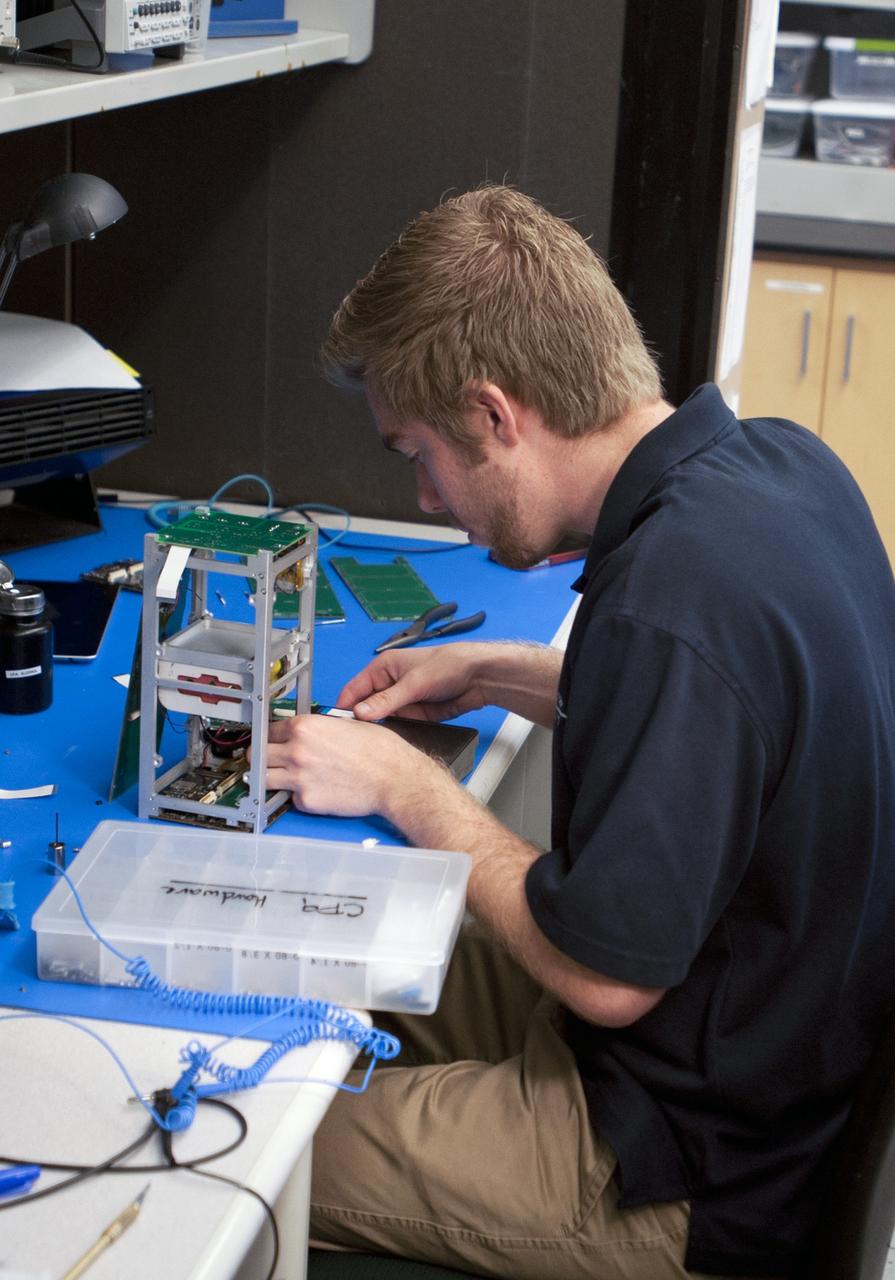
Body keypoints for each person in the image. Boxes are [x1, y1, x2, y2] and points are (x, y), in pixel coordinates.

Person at [261, 186, 895, 1279]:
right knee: (324, 959)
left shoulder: (668, 594)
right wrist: (498, 669)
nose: (420, 496)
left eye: (418, 451)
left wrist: (406, 789)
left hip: (674, 1160)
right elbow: (736, 714)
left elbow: (607, 974)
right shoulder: (779, 468)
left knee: (241, 1154)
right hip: (742, 1050)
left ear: (498, 414)